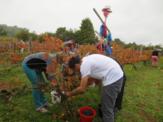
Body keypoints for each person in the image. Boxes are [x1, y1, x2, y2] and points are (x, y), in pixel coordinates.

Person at [66, 54, 124, 122]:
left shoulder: (84, 66)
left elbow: (82, 89)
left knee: (106, 109)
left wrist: (69, 94)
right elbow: (93, 77)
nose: (76, 72)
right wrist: (86, 85)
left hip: (113, 79)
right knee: (108, 104)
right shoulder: (85, 60)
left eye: (75, 70)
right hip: (115, 75)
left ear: (76, 65)